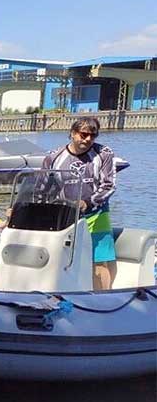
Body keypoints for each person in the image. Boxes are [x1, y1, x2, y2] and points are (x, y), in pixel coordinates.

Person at [42, 117, 117, 290]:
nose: (88, 139)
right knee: (62, 256)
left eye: (93, 135)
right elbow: (42, 189)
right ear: (73, 133)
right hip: (66, 215)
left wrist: (87, 203)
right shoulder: (54, 157)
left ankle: (104, 297)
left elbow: (109, 185)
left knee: (101, 260)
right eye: (83, 134)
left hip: (96, 213)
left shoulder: (103, 154)